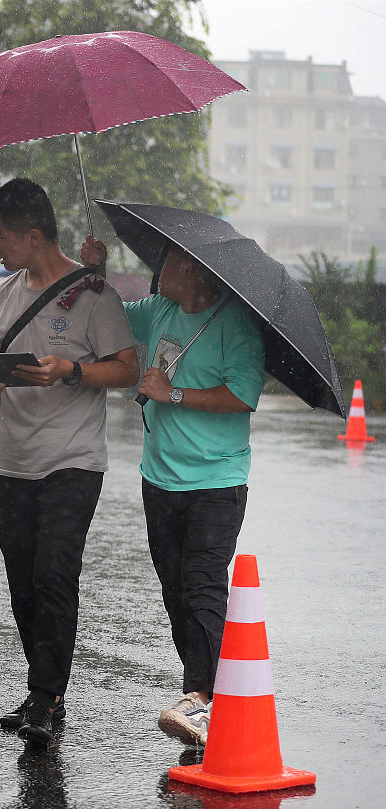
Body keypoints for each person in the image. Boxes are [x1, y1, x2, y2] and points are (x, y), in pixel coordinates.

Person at [0, 179, 139, 745]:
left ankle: (46, 698)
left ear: (33, 235)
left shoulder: (95, 297)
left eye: (1, 236)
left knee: (53, 575)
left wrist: (70, 371)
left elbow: (126, 369)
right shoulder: (2, 294)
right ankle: (42, 688)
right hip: (8, 460)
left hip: (72, 459)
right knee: (23, 585)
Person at [81, 234, 266, 747]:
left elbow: (242, 397)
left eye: (175, 262)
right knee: (174, 589)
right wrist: (98, 269)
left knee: (202, 582)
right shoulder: (161, 308)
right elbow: (112, 311)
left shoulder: (236, 325)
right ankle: (205, 693)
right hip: (159, 476)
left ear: (201, 273)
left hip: (216, 481)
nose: (162, 267)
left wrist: (173, 392)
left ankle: (202, 697)